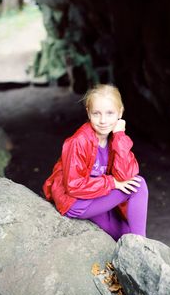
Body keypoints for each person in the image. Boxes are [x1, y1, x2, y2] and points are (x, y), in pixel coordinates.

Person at [43, 84, 148, 241]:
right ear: (88, 113)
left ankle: (138, 245)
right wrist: (111, 183)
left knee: (125, 233)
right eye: (97, 114)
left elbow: (126, 175)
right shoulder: (78, 141)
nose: (103, 120)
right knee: (138, 186)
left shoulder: (114, 137)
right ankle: (143, 247)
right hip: (75, 202)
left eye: (110, 113)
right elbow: (73, 186)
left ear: (120, 112)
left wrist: (119, 135)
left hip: (96, 196)